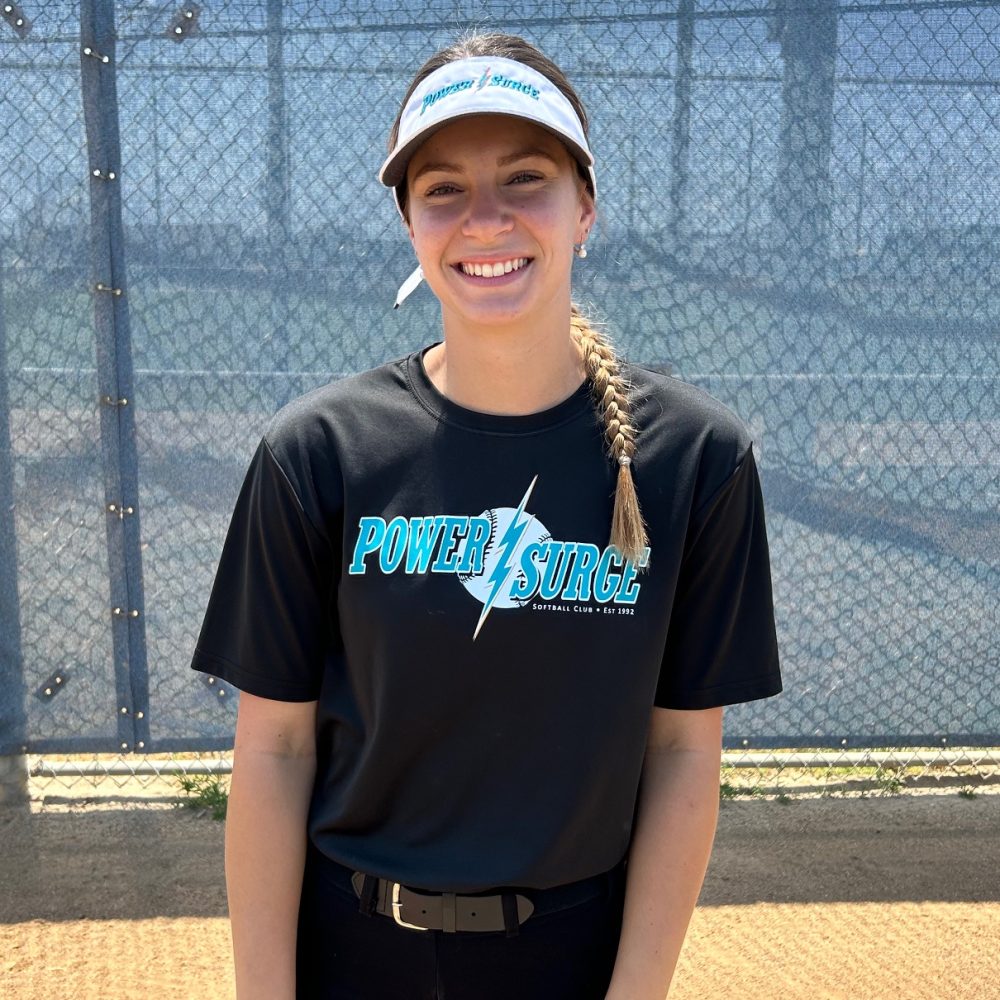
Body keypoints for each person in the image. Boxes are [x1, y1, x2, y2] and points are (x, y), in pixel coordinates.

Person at [191, 31, 783, 1000]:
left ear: (584, 206)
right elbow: (274, 747)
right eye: (444, 189)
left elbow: (682, 750)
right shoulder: (318, 452)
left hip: (573, 955)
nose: (486, 219)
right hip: (352, 950)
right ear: (409, 222)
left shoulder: (695, 459)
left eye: (525, 178)